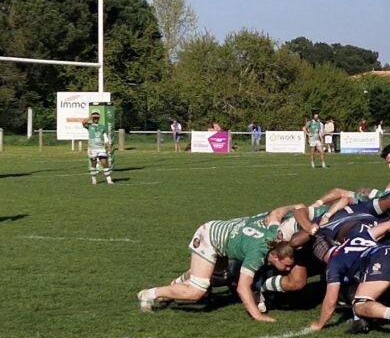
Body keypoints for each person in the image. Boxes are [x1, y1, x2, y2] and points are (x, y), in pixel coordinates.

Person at [137, 206, 306, 322]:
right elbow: (242, 287)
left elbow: (276, 213)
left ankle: (178, 283)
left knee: (220, 277)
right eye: (288, 266)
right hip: (209, 237)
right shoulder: (257, 254)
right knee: (197, 291)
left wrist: (293, 207)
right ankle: (149, 294)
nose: (289, 269)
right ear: (275, 257)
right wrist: (257, 316)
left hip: (221, 235)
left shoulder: (273, 236)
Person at [81, 110, 113, 185]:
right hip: (92, 148)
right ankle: (94, 180)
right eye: (94, 118)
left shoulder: (102, 127)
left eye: (96, 118)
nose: (95, 119)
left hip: (101, 148)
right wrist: (90, 116)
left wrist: (108, 146)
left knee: (105, 163)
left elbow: (105, 137)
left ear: (99, 118)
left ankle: (109, 180)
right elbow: (83, 122)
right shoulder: (89, 126)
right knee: (93, 163)